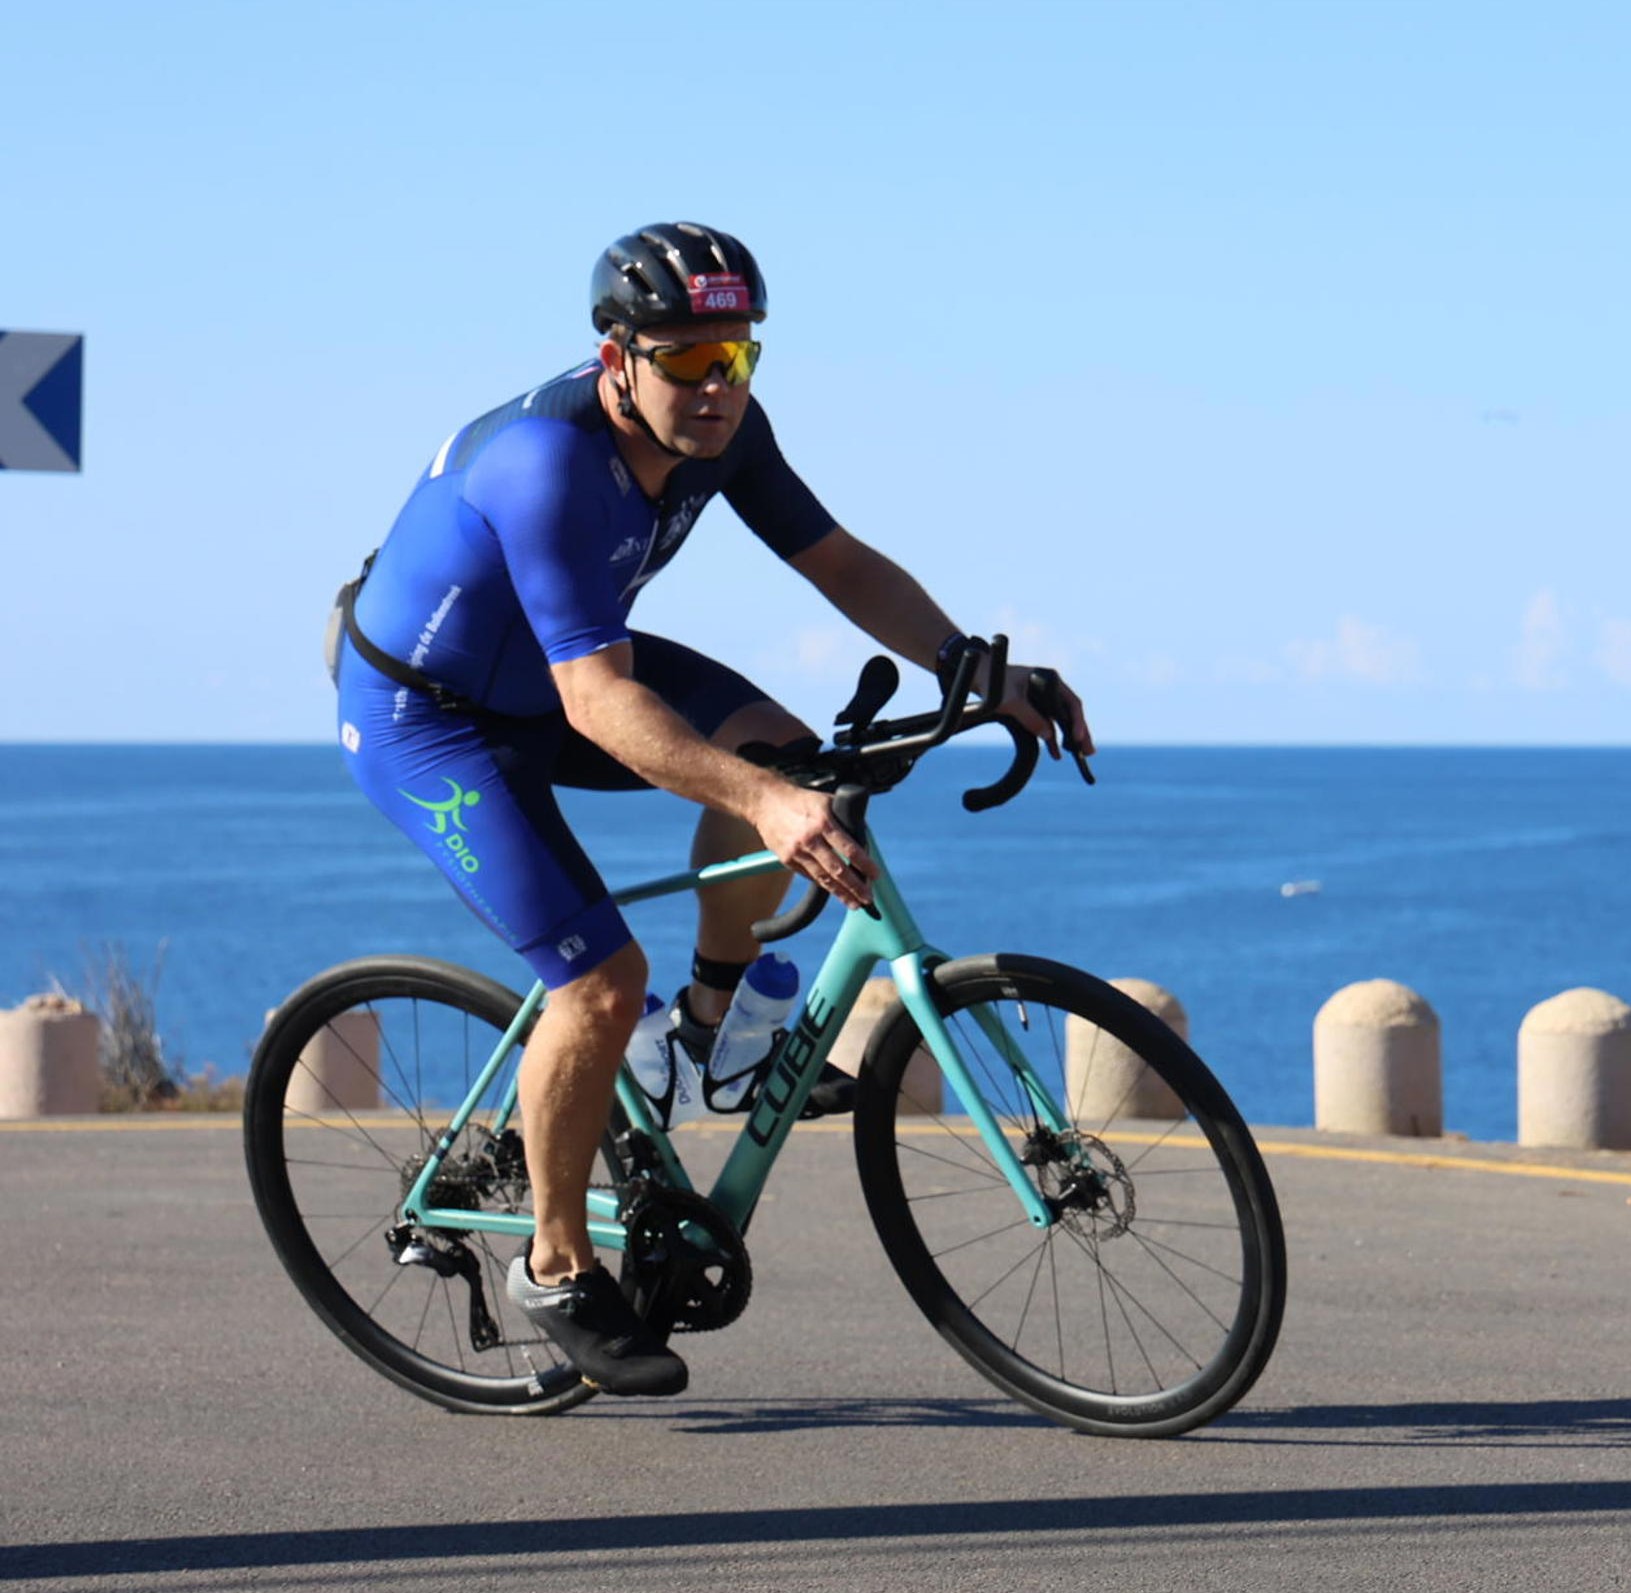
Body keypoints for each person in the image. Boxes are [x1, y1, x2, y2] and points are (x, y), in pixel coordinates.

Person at [330, 221, 1092, 1396]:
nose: (715, 387)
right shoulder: (545, 465)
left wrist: (973, 671)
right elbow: (597, 702)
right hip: (430, 718)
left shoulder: (726, 426)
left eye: (737, 357)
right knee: (595, 980)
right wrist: (767, 808)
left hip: (548, 677)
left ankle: (712, 1032)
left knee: (789, 753)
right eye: (686, 360)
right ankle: (552, 1259)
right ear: (616, 357)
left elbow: (837, 563)